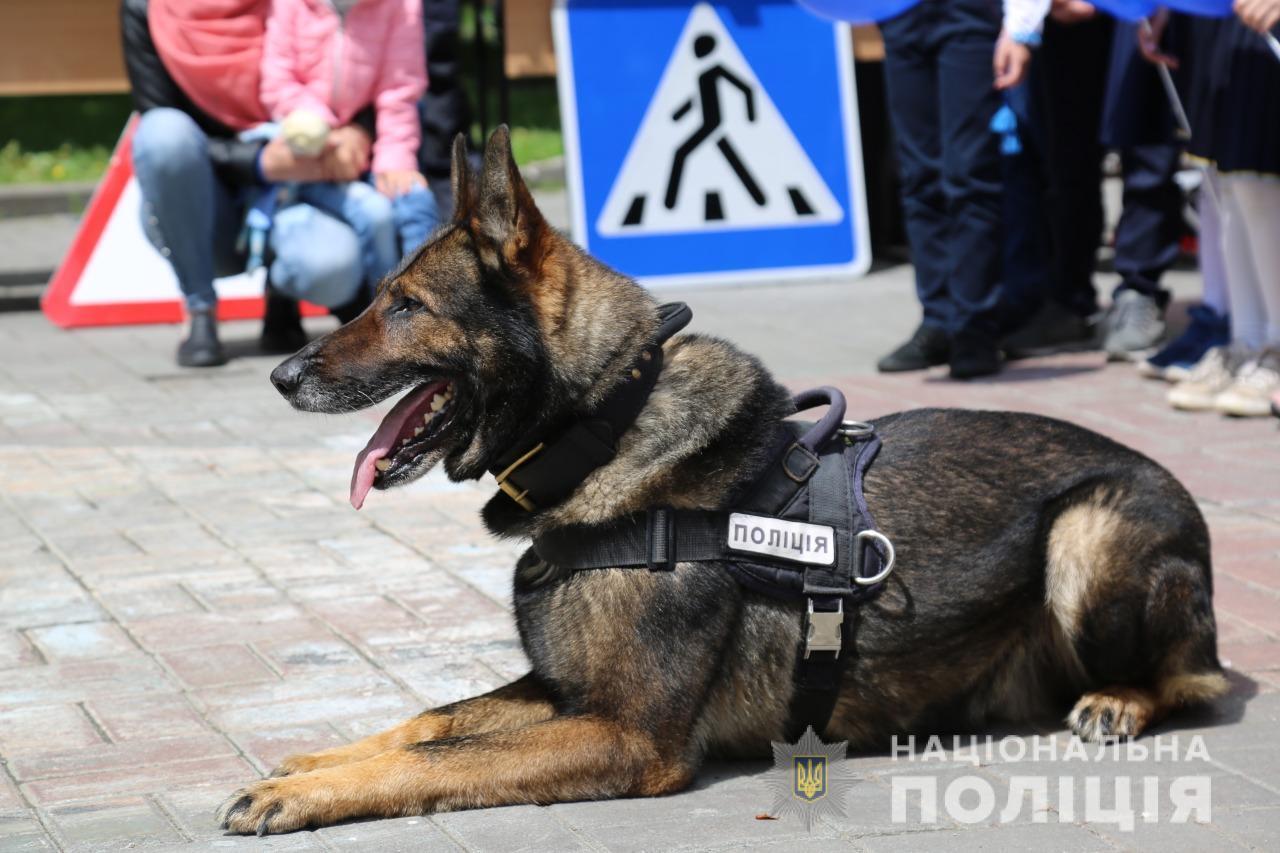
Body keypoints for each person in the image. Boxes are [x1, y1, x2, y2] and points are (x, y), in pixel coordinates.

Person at [121, 0, 374, 368]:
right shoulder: (144, 8)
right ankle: (199, 307)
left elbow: (354, 67)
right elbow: (155, 113)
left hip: (299, 188)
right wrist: (257, 163)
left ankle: (283, 292)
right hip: (209, 206)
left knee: (330, 267)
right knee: (162, 134)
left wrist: (361, 128)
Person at [876, 0, 1048, 379]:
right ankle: (938, 320)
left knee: (969, 174)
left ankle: (975, 327)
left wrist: (1022, 29)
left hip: (969, 14)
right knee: (919, 176)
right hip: (902, 14)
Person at [259, 0, 440, 291]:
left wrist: (396, 158)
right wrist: (326, 133)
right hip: (306, 152)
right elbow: (278, 82)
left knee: (416, 201)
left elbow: (400, 89)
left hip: (370, 147)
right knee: (375, 215)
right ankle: (386, 317)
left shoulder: (402, 6)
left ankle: (436, 306)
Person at [1156, 3, 1280, 417]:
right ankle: (1247, 344)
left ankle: (1275, 349)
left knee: (1257, 174)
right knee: (1227, 176)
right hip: (1226, 21)